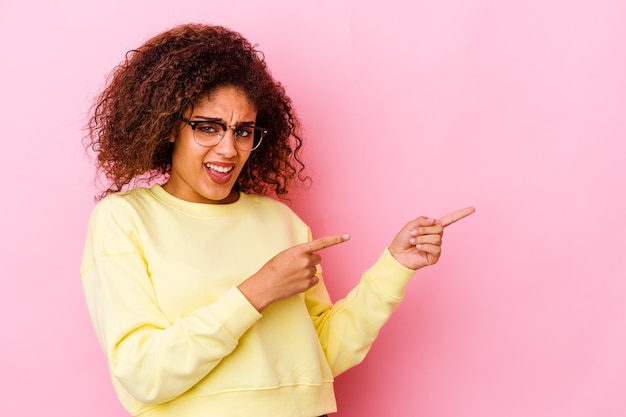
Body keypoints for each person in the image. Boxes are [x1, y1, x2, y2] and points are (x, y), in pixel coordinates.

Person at [80, 23, 474, 417]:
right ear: (168, 128)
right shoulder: (124, 219)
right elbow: (144, 374)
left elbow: (319, 356)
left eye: (244, 131)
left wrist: (395, 266)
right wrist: (259, 289)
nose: (229, 149)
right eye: (208, 128)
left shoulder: (280, 221)